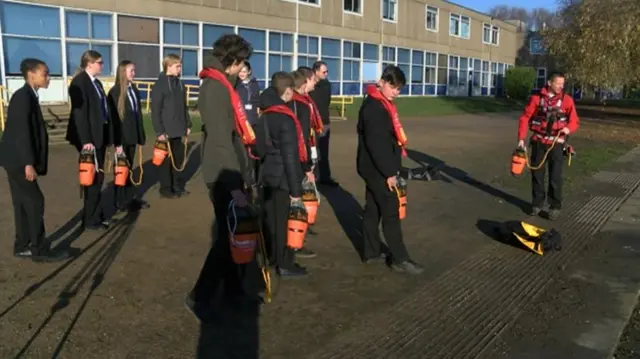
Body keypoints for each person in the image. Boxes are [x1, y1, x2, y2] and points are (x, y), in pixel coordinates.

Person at [187, 34, 254, 315]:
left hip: (231, 168)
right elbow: (219, 139)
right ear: (234, 61)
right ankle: (200, 297)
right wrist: (234, 183)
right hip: (222, 172)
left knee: (234, 234)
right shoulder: (215, 88)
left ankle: (234, 292)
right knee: (227, 240)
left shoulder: (225, 84)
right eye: (242, 64)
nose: (244, 69)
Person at [0, 58, 69, 262]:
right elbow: (21, 133)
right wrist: (28, 163)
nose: (48, 77)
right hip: (19, 160)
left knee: (22, 202)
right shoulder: (23, 97)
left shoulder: (27, 95)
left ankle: (23, 245)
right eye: (45, 73)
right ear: (31, 74)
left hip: (13, 159)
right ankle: (39, 249)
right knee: (35, 201)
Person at [357, 65, 423, 275]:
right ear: (383, 82)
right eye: (394, 87)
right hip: (378, 169)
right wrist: (390, 173)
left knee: (373, 209)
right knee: (391, 212)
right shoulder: (375, 108)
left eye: (399, 89)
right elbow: (377, 144)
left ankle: (371, 252)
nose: (396, 92)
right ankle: (399, 258)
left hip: (372, 166)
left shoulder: (379, 103)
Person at [256, 71, 308, 278]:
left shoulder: (265, 113)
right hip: (283, 177)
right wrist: (296, 191)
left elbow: (259, 148)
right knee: (284, 223)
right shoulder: (286, 119)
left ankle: (270, 258)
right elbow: (290, 157)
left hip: (267, 173)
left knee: (270, 220)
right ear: (287, 91)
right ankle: (284, 263)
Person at [66, 50, 118, 231]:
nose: (102, 66)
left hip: (99, 135)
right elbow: (79, 114)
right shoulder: (80, 83)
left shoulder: (96, 83)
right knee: (92, 177)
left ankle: (94, 214)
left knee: (98, 176)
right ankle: (91, 219)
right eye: (100, 62)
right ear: (89, 63)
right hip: (89, 139)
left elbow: (102, 111)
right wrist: (86, 140)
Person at [517, 71, 580, 220]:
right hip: (539, 142)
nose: (560, 86)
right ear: (549, 83)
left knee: (555, 177)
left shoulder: (567, 101)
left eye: (562, 84)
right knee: (537, 175)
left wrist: (568, 128)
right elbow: (525, 118)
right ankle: (537, 204)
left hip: (557, 144)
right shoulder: (536, 99)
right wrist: (521, 139)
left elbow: (574, 121)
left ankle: (555, 206)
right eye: (558, 83)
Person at [289, 67, 323, 255]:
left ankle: (302, 225)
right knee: (297, 194)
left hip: (306, 152)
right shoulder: (298, 104)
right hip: (299, 156)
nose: (315, 83)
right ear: (305, 81)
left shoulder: (306, 101)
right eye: (313, 80)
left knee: (303, 193)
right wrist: (306, 164)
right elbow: (300, 135)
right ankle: (294, 239)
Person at [108, 60, 149, 211]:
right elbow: (113, 120)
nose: (134, 73)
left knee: (130, 169)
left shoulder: (134, 90)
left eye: (134, 70)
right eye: (131, 70)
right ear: (123, 72)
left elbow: (137, 116)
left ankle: (130, 198)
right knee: (121, 170)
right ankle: (119, 201)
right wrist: (117, 144)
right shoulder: (115, 92)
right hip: (122, 138)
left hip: (132, 136)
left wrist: (140, 136)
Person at [151, 53, 192, 199]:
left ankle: (176, 185)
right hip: (166, 130)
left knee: (178, 159)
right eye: (177, 66)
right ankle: (165, 189)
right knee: (166, 162)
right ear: (169, 66)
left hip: (179, 128)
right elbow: (155, 110)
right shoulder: (160, 85)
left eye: (180, 66)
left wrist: (188, 123)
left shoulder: (180, 84)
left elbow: (184, 106)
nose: (180, 69)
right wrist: (160, 131)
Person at [309, 60, 338, 187]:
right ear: (316, 72)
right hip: (311, 123)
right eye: (323, 72)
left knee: (324, 151)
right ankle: (312, 177)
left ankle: (325, 177)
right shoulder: (309, 85)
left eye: (327, 71)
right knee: (312, 150)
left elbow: (327, 102)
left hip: (324, 122)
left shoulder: (327, 85)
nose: (326, 74)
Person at [235, 61, 261, 184]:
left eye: (244, 71)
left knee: (254, 152)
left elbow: (257, 102)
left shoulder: (255, 85)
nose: (242, 74)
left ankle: (255, 177)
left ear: (249, 72)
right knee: (242, 152)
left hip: (253, 121)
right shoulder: (235, 85)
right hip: (241, 122)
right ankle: (245, 178)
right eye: (240, 71)